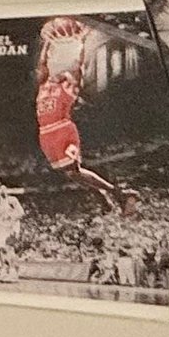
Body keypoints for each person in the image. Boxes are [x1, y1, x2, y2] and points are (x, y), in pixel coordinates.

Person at [36, 16, 129, 214]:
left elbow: (78, 68)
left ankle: (117, 192)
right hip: (45, 133)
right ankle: (104, 199)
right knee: (71, 175)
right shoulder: (44, 84)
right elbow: (42, 65)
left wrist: (81, 44)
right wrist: (47, 44)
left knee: (74, 171)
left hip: (62, 129)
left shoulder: (69, 85)